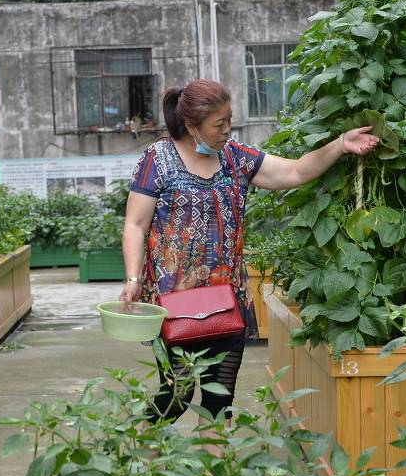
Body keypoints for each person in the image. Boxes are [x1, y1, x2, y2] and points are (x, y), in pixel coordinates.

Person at [121, 78, 380, 422]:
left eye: (230, 120)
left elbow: (295, 170)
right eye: (219, 124)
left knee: (219, 402)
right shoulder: (159, 158)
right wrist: (132, 278)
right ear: (191, 125)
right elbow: (135, 225)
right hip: (173, 305)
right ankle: (138, 458)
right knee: (176, 396)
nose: (228, 129)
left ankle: (213, 473)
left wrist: (341, 145)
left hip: (227, 303)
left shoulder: (234, 157)